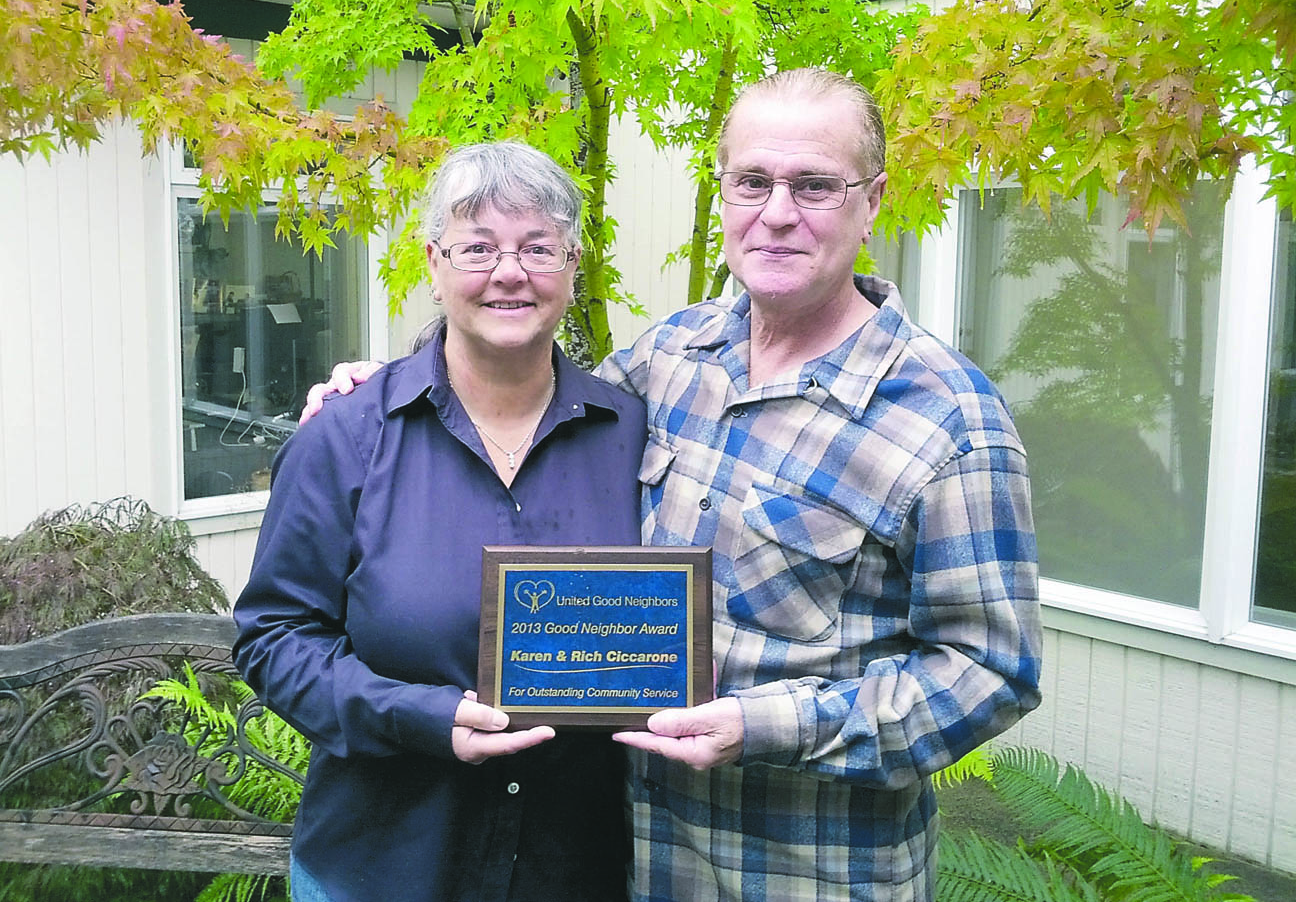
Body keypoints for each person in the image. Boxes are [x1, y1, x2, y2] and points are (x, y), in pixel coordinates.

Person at [303, 68, 1043, 902]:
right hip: (631, 864)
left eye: (815, 185)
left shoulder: (950, 421)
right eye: (752, 181)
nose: (777, 212)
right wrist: (389, 389)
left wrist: (768, 727)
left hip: (808, 875)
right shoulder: (673, 360)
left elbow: (992, 670)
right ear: (722, 193)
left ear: (872, 201)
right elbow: (519, 394)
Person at [233, 141, 646, 902]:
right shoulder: (348, 436)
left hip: (574, 870)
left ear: (572, 264)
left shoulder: (634, 435)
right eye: (478, 247)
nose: (510, 271)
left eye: (537, 247)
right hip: (383, 865)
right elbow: (274, 637)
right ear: (432, 262)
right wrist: (414, 716)